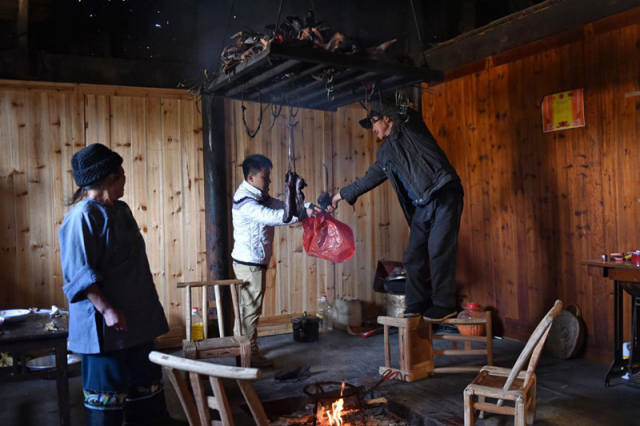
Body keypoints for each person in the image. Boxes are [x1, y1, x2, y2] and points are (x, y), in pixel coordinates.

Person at [59, 143, 172, 426]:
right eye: (121, 173)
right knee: (106, 405)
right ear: (110, 177)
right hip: (107, 330)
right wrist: (107, 310)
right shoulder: (81, 217)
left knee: (146, 399)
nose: (124, 179)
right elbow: (79, 273)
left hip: (136, 323)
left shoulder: (120, 210)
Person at [330, 102, 464, 320]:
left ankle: (443, 304)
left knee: (439, 249)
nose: (372, 128)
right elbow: (367, 180)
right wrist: (339, 196)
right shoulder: (385, 154)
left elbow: (406, 114)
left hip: (444, 193)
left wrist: (388, 100)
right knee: (413, 256)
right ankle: (417, 303)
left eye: (374, 122)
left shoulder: (411, 129)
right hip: (422, 205)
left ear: (387, 119)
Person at [231, 154, 315, 367]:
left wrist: (309, 207)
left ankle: (243, 351)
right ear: (251, 178)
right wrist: (302, 215)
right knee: (250, 310)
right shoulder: (246, 201)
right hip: (249, 265)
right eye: (264, 177)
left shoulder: (258, 194)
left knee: (247, 309)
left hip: (252, 263)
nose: (268, 181)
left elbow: (280, 206)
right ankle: (248, 357)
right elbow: (273, 216)